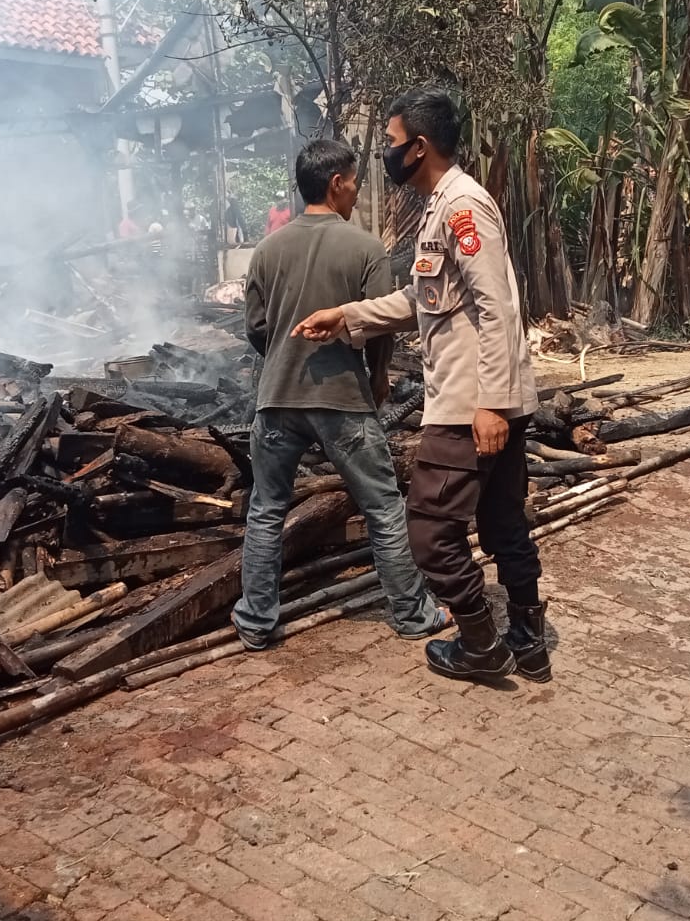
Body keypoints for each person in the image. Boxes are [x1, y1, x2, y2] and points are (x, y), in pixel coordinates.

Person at [294, 88, 545, 685]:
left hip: (469, 405)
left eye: (390, 142)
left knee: (429, 533)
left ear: (421, 146)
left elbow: (498, 308)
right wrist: (348, 316)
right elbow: (422, 301)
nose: (384, 153)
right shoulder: (439, 207)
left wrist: (488, 405)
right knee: (504, 522)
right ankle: (528, 643)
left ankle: (481, 643)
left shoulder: (463, 208)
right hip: (485, 401)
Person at [233, 139, 449, 649]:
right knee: (383, 507)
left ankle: (257, 624)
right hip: (343, 400)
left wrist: (283, 361)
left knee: (266, 510)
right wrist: (377, 378)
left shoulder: (266, 251)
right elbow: (381, 325)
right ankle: (411, 614)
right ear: (335, 183)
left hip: (277, 399)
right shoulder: (365, 248)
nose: (356, 191)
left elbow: (257, 330)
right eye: (353, 182)